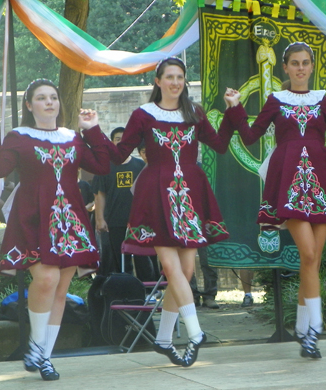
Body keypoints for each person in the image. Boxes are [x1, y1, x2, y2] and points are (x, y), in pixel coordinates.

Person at [224, 42, 326, 359]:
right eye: (295, 63)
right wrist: (235, 107)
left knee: (310, 260)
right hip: (290, 184)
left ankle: (303, 329)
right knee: (310, 254)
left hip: (321, 185)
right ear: (284, 68)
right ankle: (315, 328)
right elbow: (249, 136)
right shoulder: (276, 100)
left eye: (305, 63)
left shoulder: (322, 100)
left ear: (311, 67)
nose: (300, 68)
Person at [103, 56, 235, 367]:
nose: (175, 82)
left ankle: (163, 338)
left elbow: (220, 145)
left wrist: (233, 112)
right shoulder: (142, 115)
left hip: (187, 196)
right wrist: (94, 132)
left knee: (186, 272)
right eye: (169, 77)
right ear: (158, 81)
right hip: (155, 195)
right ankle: (196, 332)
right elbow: (121, 152)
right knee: (172, 268)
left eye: (180, 77)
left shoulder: (194, 113)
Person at [0, 79, 110, 380]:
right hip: (35, 218)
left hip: (70, 220)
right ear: (29, 105)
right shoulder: (19, 136)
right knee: (46, 278)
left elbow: (102, 166)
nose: (50, 102)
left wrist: (92, 130)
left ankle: (44, 356)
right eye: (41, 98)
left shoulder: (72, 137)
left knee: (61, 290)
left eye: (53, 97)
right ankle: (37, 347)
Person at [92, 127, 154, 280]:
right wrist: (100, 219)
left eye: (124, 139)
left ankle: (148, 291)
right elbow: (100, 195)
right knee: (120, 259)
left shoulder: (140, 166)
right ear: (112, 143)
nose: (121, 141)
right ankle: (125, 291)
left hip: (139, 222)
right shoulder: (105, 167)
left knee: (143, 257)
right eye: (117, 139)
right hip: (115, 220)